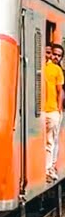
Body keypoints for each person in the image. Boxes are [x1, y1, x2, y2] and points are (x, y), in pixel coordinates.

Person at [45, 43, 64, 181]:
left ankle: (49, 167)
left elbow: (60, 91)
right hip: (46, 109)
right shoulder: (45, 67)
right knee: (49, 141)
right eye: (53, 54)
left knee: (51, 141)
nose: (55, 57)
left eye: (58, 55)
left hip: (53, 110)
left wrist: (58, 109)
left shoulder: (58, 70)